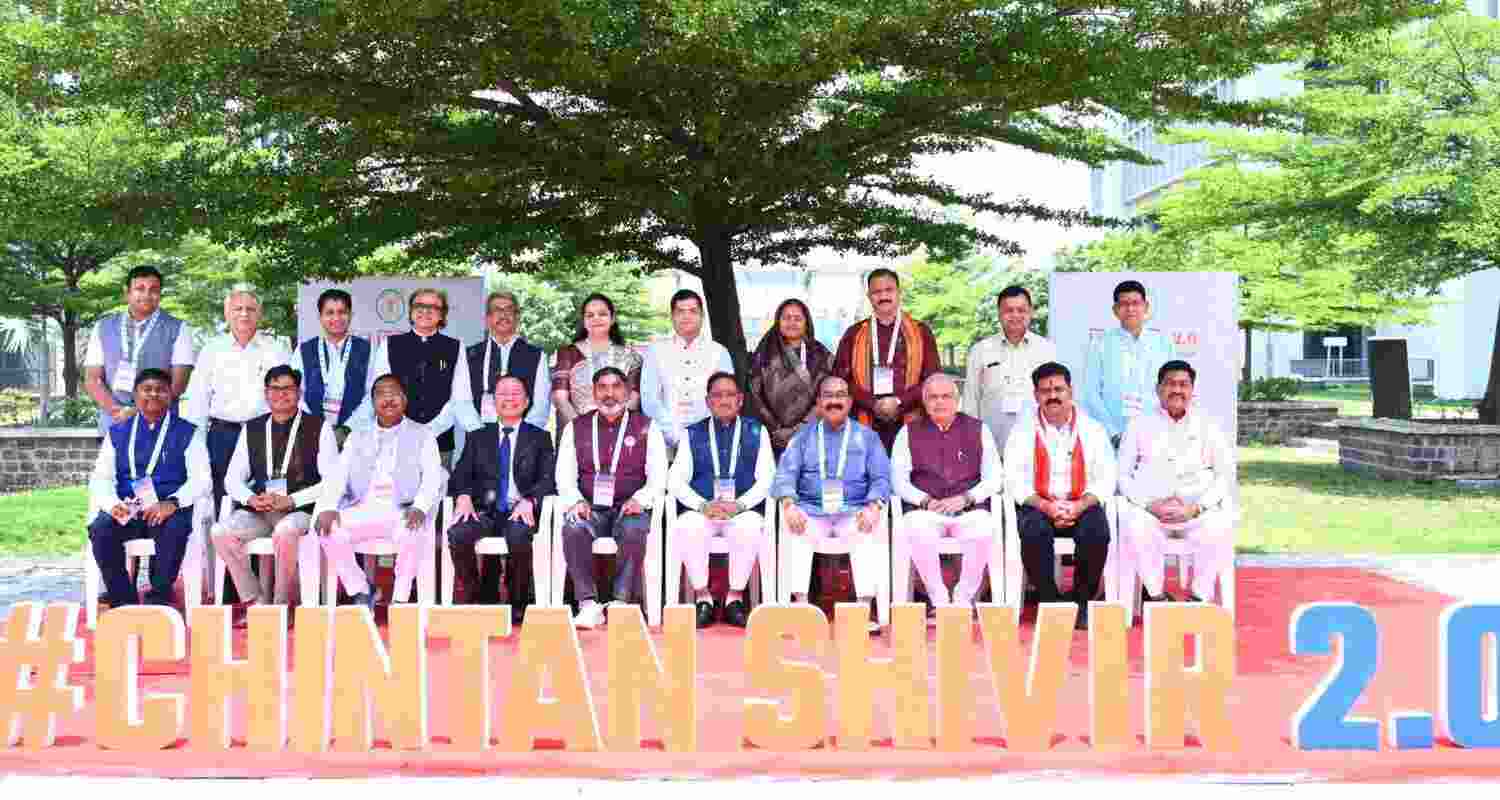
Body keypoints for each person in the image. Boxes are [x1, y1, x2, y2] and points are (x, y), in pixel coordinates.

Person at [213, 366, 339, 615]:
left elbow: (332, 481)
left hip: (300, 510)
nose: (281, 394)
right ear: (266, 393)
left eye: (288, 388)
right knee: (220, 532)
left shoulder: (319, 427)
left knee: (284, 531)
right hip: (261, 510)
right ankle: (256, 600)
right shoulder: (252, 428)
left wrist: (292, 500)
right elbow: (232, 479)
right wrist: (250, 498)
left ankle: (283, 604)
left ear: (299, 392)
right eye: (275, 389)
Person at [314, 374, 444, 609]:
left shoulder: (424, 434)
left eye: (394, 393)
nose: (388, 399)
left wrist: (420, 506)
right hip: (363, 507)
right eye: (381, 394)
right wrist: (328, 507)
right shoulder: (357, 435)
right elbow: (338, 475)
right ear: (373, 402)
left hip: (401, 509)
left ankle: (401, 596)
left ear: (404, 400)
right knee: (325, 528)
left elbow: (433, 477)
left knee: (414, 530)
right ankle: (362, 590)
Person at [771, 375, 890, 630]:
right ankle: (801, 606)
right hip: (812, 510)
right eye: (828, 395)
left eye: (840, 395)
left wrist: (873, 506)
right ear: (818, 402)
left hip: (854, 509)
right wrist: (789, 504)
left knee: (867, 528)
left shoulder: (867, 437)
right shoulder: (802, 437)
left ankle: (863, 608)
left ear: (849, 402)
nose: (834, 401)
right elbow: (785, 474)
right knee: (796, 526)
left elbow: (881, 477)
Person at [1003, 362, 1117, 630]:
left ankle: (1082, 601)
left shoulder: (1092, 430)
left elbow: (1106, 477)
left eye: (1058, 389)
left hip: (1081, 502)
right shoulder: (1022, 432)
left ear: (1070, 391)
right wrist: (1045, 506)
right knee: (1033, 531)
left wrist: (1079, 506)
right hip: (1039, 503)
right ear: (1036, 396)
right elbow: (1013, 478)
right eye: (1045, 390)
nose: (1052, 395)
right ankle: (1050, 602)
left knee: (1097, 531)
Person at [554, 367, 668, 629]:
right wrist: (575, 500)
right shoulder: (577, 427)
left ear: (627, 392)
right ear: (593, 393)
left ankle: (620, 601)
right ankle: (587, 604)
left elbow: (658, 476)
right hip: (590, 507)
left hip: (629, 507)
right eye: (602, 388)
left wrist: (641, 499)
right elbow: (564, 475)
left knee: (635, 528)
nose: (609, 394)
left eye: (616, 386)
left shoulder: (647, 427)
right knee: (573, 528)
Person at [87, 368, 210, 607]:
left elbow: (201, 479)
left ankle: (159, 597)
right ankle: (123, 599)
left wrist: (172, 503)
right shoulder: (118, 433)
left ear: (170, 396)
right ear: (135, 395)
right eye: (147, 389)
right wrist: (113, 506)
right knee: (101, 528)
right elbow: (101, 478)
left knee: (175, 528)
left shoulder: (187, 432)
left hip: (166, 507)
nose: (153, 394)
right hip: (129, 508)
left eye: (161, 390)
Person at [1118, 360, 1234, 605]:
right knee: (1136, 524)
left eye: (1183, 384)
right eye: (1170, 384)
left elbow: (1224, 475)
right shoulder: (1138, 425)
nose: (1177, 390)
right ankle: (1156, 595)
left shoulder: (1209, 426)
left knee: (1217, 524)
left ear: (1193, 390)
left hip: (1195, 509)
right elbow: (1123, 475)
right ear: (1158, 389)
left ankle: (1199, 597)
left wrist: (1197, 507)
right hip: (1151, 509)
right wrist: (1149, 505)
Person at [667, 372, 775, 628]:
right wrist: (702, 505)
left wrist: (739, 505)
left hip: (740, 509)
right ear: (707, 401)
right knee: (688, 526)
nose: (724, 400)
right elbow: (675, 481)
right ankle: (703, 597)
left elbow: (767, 478)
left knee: (748, 526)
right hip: (704, 509)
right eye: (717, 395)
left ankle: (734, 599)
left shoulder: (756, 431)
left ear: (739, 400)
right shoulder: (692, 434)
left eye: (730, 395)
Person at [447, 375, 557, 620]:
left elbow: (549, 478)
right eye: (502, 394)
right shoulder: (478, 436)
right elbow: (460, 474)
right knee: (457, 533)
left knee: (519, 534)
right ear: (492, 402)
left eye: (516, 393)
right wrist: (463, 495)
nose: (509, 398)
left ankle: (518, 600)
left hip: (519, 510)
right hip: (484, 511)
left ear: (527, 401)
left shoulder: (539, 437)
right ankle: (476, 596)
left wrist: (530, 500)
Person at [891, 373, 1003, 613]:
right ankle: (939, 598)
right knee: (916, 526)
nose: (939, 402)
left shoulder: (978, 429)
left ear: (957, 400)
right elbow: (898, 480)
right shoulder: (908, 432)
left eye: (946, 396)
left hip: (968, 508)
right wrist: (925, 501)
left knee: (984, 527)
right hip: (927, 509)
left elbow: (994, 478)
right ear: (924, 401)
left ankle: (964, 597)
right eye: (933, 397)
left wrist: (966, 498)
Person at [183, 286, 290, 510]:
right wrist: (197, 446)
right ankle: (223, 543)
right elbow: (197, 403)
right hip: (223, 435)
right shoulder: (211, 350)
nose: (244, 314)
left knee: (266, 497)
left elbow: (288, 395)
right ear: (227, 313)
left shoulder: (276, 349)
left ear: (259, 314)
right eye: (237, 308)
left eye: (250, 309)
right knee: (220, 499)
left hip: (265, 434)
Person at [359, 287, 477, 463]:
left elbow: (461, 397)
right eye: (419, 305)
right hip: (396, 437)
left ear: (442, 315)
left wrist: (431, 430)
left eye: (434, 307)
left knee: (438, 488)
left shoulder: (454, 347)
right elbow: (380, 393)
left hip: (440, 442)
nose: (425, 311)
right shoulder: (390, 344)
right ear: (411, 311)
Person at [833, 269, 941, 451]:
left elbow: (932, 380)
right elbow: (840, 381)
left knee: (907, 476)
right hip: (864, 421)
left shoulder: (921, 332)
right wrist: (872, 403)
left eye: (889, 290)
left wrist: (899, 401)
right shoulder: (854, 334)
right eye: (877, 292)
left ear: (899, 293)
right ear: (869, 296)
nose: (883, 296)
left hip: (911, 419)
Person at [84, 265, 196, 436]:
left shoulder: (179, 328)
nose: (146, 295)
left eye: (153, 290)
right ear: (127, 292)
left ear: (160, 294)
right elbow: (92, 379)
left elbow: (178, 385)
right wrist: (117, 411)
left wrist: (138, 412)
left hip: (159, 425)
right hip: (114, 424)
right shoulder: (103, 327)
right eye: (139, 289)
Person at [961, 285, 1057, 452]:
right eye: (1009, 310)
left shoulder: (1047, 350)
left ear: (1030, 312)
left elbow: (1054, 397)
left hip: (1036, 446)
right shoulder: (980, 350)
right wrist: (972, 442)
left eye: (1021, 310)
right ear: (999, 313)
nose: (1015, 315)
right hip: (991, 446)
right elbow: (971, 401)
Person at [1083, 280, 1177, 448]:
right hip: (1114, 437)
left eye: (1136, 303)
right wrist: (1112, 433)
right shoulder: (1100, 344)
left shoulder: (1164, 344)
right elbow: (1091, 393)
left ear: (1146, 307)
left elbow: (1172, 388)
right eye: (1124, 304)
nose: (1130, 309)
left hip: (1157, 434)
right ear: (1115, 310)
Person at [640, 289, 734, 457]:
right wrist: (674, 435)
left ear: (702, 315)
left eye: (692, 311)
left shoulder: (719, 353)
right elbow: (650, 400)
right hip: (665, 445)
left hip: (710, 443)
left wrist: (703, 436)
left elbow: (726, 399)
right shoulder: (656, 351)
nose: (686, 316)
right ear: (672, 316)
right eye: (680, 311)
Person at [749, 298, 833, 458]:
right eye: (786, 318)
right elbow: (754, 394)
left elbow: (829, 392)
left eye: (798, 318)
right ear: (777, 321)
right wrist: (776, 430)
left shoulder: (821, 355)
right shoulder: (764, 354)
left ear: (806, 322)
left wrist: (801, 428)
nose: (792, 323)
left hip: (812, 433)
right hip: (773, 436)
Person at [463, 291, 552, 432]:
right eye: (497, 310)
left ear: (517, 317)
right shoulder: (469, 355)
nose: (503, 315)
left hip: (525, 441)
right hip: (478, 438)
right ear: (487, 318)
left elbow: (541, 405)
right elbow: (463, 402)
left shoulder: (536, 355)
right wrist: (477, 434)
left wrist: (521, 436)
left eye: (509, 310)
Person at [551, 293, 644, 428]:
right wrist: (584, 430)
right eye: (590, 315)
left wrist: (613, 429)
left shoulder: (631, 357)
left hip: (620, 431)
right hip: (577, 431)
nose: (596, 319)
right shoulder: (567, 353)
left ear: (612, 319)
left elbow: (634, 398)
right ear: (583, 321)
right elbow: (560, 399)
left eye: (602, 314)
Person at [291, 288, 373, 439]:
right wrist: (314, 426)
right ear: (320, 316)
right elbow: (295, 393)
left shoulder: (368, 349)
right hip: (311, 434)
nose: (336, 318)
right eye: (329, 312)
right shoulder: (304, 350)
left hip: (357, 434)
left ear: (350, 315)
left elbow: (373, 394)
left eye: (342, 312)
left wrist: (348, 428)